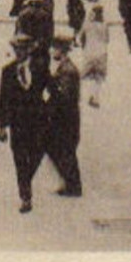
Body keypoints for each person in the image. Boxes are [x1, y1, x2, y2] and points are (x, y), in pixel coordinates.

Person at [0, 32, 48, 213]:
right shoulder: (8, 71)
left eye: (23, 49)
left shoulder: (40, 68)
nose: (20, 53)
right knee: (19, 159)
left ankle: (26, 178)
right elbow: (2, 99)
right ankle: (25, 196)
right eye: (17, 49)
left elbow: (49, 89)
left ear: (29, 50)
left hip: (37, 120)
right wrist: (2, 126)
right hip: (17, 122)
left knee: (38, 153)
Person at [43, 31, 84, 197]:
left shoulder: (67, 70)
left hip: (65, 117)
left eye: (55, 48)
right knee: (64, 149)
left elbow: (63, 96)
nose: (53, 52)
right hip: (68, 116)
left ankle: (73, 186)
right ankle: (69, 184)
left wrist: (48, 103)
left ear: (62, 49)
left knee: (62, 149)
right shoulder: (66, 67)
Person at [81, 0, 109, 109]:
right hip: (101, 53)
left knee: (83, 75)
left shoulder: (87, 25)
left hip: (89, 52)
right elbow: (107, 39)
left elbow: (81, 37)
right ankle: (95, 97)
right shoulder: (104, 25)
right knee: (98, 78)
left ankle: (80, 95)